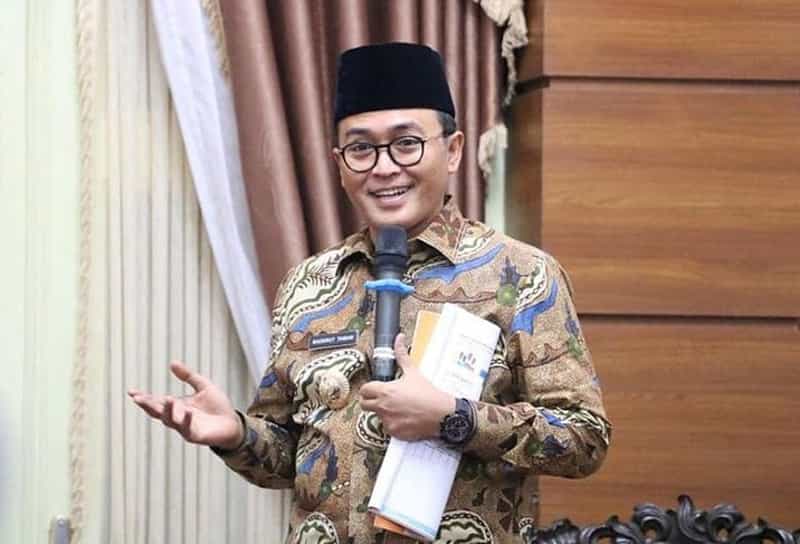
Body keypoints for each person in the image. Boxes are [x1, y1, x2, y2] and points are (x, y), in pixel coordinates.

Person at [130, 42, 611, 543]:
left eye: (407, 143)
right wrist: (236, 434)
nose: (383, 168)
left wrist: (455, 418)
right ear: (340, 164)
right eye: (361, 149)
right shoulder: (309, 284)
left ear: (453, 150)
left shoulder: (522, 276)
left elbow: (586, 438)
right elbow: (290, 455)